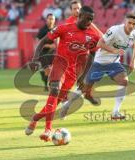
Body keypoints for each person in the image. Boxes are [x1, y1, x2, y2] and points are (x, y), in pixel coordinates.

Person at [25, 6, 100, 142]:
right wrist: (35, 60)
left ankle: (35, 118)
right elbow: (42, 42)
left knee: (54, 102)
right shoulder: (64, 28)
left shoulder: (93, 36)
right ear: (79, 16)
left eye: (91, 20)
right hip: (59, 65)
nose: (89, 22)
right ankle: (48, 130)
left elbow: (92, 56)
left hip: (73, 74)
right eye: (87, 18)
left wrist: (83, 77)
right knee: (54, 90)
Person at [60, 13, 135, 120]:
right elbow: (100, 43)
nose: (131, 25)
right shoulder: (115, 30)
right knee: (83, 88)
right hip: (99, 62)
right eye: (129, 23)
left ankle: (115, 112)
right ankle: (66, 106)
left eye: (133, 24)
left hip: (114, 63)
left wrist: (133, 61)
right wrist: (114, 50)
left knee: (124, 81)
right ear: (125, 22)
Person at [36, 13, 56, 91]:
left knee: (54, 70)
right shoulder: (43, 30)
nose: (51, 20)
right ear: (46, 20)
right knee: (46, 71)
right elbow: (38, 43)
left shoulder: (56, 29)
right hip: (43, 53)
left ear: (54, 20)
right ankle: (46, 83)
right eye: (49, 18)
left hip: (53, 53)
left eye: (52, 19)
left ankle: (52, 84)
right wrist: (49, 46)